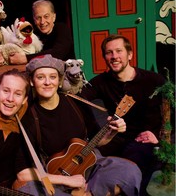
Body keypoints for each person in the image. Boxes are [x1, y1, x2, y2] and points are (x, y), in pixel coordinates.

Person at [13, 54, 142, 195]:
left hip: (89, 165)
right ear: (32, 81)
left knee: (130, 171)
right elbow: (22, 172)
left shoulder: (77, 102)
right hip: (55, 177)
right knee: (25, 189)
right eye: (40, 77)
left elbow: (96, 141)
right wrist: (68, 181)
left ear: (60, 80)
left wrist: (112, 132)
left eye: (53, 77)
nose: (47, 82)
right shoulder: (28, 117)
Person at [80, 34, 166, 196]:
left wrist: (159, 138)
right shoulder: (101, 82)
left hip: (144, 140)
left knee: (129, 171)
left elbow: (171, 112)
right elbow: (78, 99)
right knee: (91, 164)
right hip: (116, 138)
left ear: (130, 55)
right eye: (109, 52)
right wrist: (94, 131)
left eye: (119, 51)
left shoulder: (154, 80)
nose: (114, 57)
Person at [0, 0, 75, 65]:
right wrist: (4, 56)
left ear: (54, 17)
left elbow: (58, 53)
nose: (42, 22)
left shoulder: (62, 28)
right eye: (38, 18)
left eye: (46, 16)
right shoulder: (32, 34)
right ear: (34, 19)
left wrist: (26, 58)